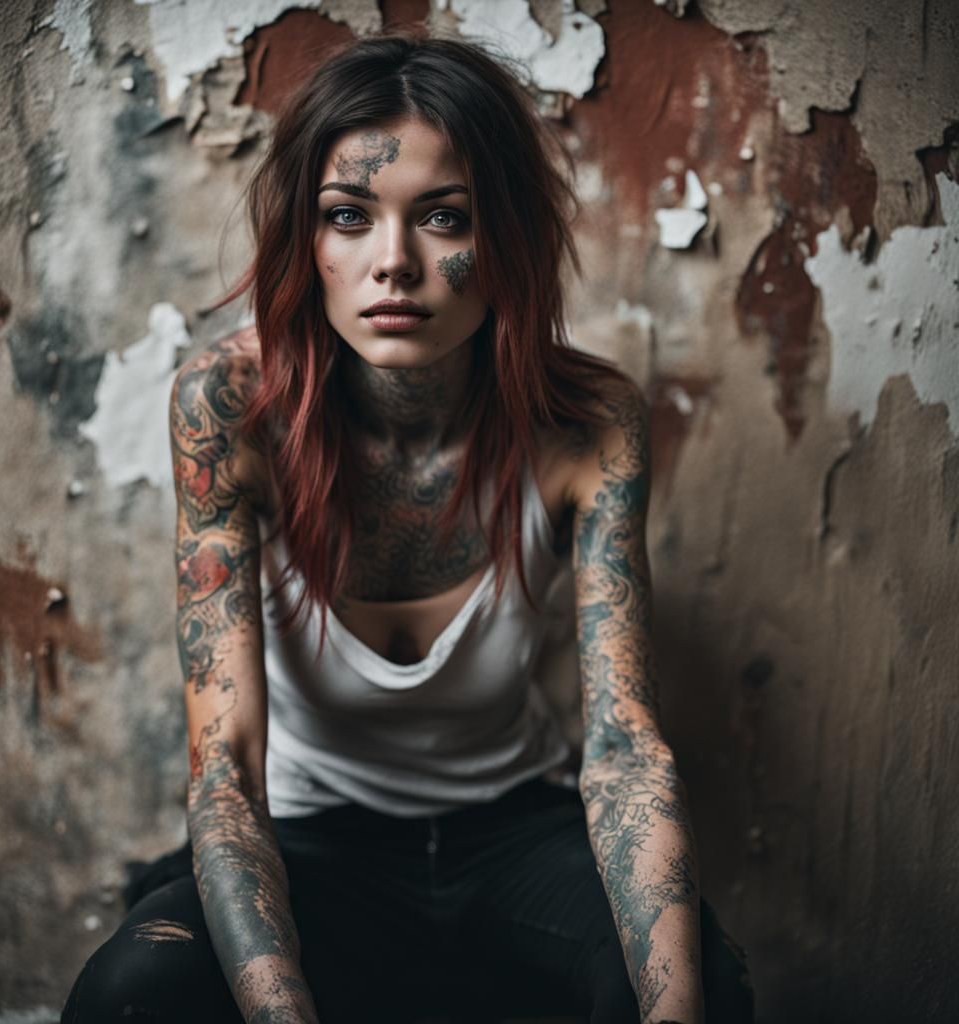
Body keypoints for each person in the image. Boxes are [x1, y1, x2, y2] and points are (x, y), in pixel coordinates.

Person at [62, 31, 754, 1024]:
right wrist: (279, 1008)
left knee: (707, 985)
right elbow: (226, 770)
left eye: (442, 218)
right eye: (348, 217)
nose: (393, 263)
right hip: (311, 841)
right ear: (310, 240)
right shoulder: (228, 408)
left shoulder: (587, 424)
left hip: (515, 833)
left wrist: (677, 1012)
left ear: (504, 237)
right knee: (136, 989)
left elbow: (624, 745)